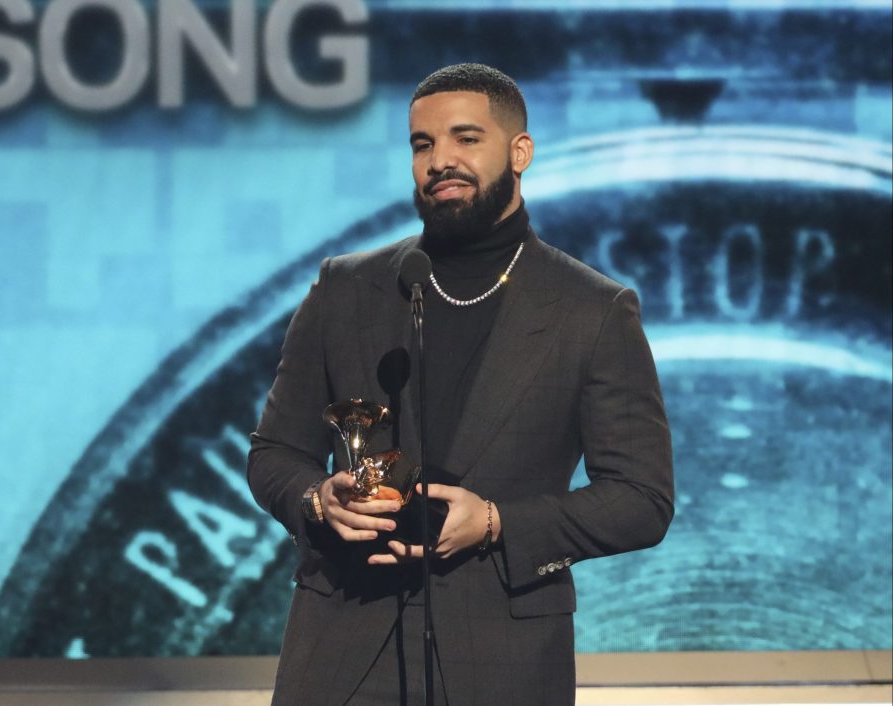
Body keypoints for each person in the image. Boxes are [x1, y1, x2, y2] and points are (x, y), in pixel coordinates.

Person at [248, 63, 674, 706]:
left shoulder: (592, 309)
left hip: (503, 658)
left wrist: (499, 522)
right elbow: (274, 454)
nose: (440, 159)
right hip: (341, 649)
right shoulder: (347, 289)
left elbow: (642, 499)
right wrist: (318, 500)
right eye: (423, 144)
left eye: (466, 138)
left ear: (520, 151)